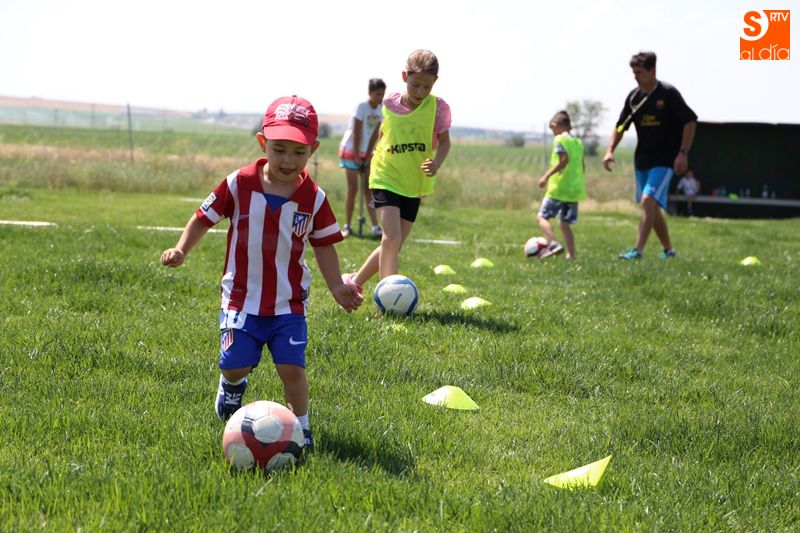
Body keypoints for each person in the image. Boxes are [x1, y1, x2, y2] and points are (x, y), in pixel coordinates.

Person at [160, 96, 363, 451]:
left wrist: (336, 286)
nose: (288, 160)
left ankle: (301, 429)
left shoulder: (314, 198)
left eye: (299, 152)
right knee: (234, 364)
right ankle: (232, 387)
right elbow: (203, 218)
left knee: (291, 368)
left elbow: (324, 245)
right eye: (279, 149)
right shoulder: (239, 183)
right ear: (262, 142)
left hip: (289, 303)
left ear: (313, 150)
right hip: (241, 298)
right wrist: (181, 249)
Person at [343, 49, 451, 290]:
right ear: (404, 77)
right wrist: (371, 152)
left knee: (393, 244)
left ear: (435, 81)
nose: (420, 92)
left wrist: (436, 162)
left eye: (427, 87)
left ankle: (354, 281)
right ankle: (387, 298)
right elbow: (383, 132)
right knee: (391, 238)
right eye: (415, 85)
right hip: (386, 175)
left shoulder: (439, 108)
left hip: (414, 182)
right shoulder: (389, 103)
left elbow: (445, 143)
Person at [603, 51, 697, 260]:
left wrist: (683, 153)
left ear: (652, 71)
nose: (635, 76)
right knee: (651, 207)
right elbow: (621, 126)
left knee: (648, 201)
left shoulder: (668, 93)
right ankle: (669, 250)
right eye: (633, 72)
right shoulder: (634, 98)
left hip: (665, 160)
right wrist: (610, 150)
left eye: (639, 72)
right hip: (642, 161)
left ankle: (637, 251)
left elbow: (690, 121)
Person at [338, 78, 386, 238]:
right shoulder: (361, 107)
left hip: (366, 152)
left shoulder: (381, 110)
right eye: (377, 94)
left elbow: (375, 134)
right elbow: (357, 131)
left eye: (382, 94)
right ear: (370, 93)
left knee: (368, 189)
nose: (380, 97)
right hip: (351, 150)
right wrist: (357, 155)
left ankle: (375, 226)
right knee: (353, 189)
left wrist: (369, 153)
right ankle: (347, 226)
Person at [536, 110, 587, 260]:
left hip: (559, 189)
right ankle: (571, 255)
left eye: (552, 129)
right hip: (574, 191)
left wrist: (546, 176)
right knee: (564, 224)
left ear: (555, 125)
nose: (553, 133)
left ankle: (553, 243)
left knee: (541, 217)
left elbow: (563, 161)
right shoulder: (578, 143)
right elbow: (582, 166)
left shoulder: (560, 140)